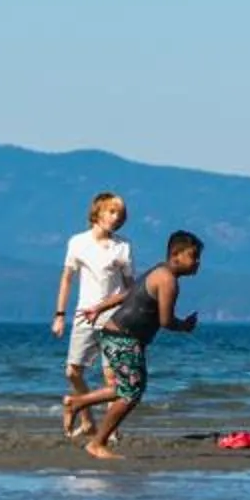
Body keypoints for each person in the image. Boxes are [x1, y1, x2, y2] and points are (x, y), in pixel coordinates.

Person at [67, 230, 204, 460]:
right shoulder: (168, 280)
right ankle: (97, 443)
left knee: (127, 389)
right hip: (124, 338)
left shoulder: (158, 270)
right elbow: (165, 321)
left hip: (116, 335)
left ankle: (78, 402)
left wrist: (100, 307)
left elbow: (129, 293)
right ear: (176, 254)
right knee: (131, 393)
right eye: (194, 256)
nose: (198, 262)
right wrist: (185, 326)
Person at [52, 193, 135, 431]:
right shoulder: (77, 242)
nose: (116, 217)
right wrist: (60, 315)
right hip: (84, 315)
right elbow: (67, 278)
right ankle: (87, 418)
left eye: (120, 214)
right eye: (112, 212)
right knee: (72, 371)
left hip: (115, 318)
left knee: (112, 378)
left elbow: (131, 287)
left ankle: (110, 431)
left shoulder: (123, 246)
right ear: (97, 213)